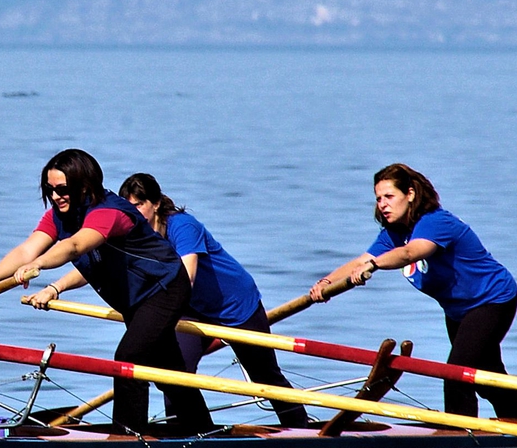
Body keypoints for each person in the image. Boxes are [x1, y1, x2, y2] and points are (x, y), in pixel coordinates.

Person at [26, 172, 312, 428]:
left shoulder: (182, 227)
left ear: (156, 204)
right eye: (128, 205)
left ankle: (302, 430)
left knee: (265, 377)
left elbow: (185, 278)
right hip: (191, 312)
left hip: (234, 306)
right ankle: (187, 433)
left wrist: (153, 321)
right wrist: (55, 287)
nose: (132, 211)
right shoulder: (131, 231)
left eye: (139, 205)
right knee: (174, 373)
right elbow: (98, 266)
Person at [0, 149, 215, 437]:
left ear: (84, 186)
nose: (54, 196)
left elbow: (75, 246)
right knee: (167, 368)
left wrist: (38, 264)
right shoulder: (58, 216)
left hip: (164, 289)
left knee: (128, 358)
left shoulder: (109, 213)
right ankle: (203, 430)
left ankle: (126, 438)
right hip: (134, 298)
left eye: (62, 189)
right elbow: (27, 249)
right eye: (49, 189)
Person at [310, 164, 517, 420]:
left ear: (410, 194)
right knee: (488, 376)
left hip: (492, 300)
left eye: (389, 197)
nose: (382, 204)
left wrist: (374, 264)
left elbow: (410, 253)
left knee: (457, 373)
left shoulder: (436, 222)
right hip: (459, 311)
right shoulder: (394, 234)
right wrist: (326, 283)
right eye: (378, 198)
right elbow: (362, 260)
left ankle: (460, 437)